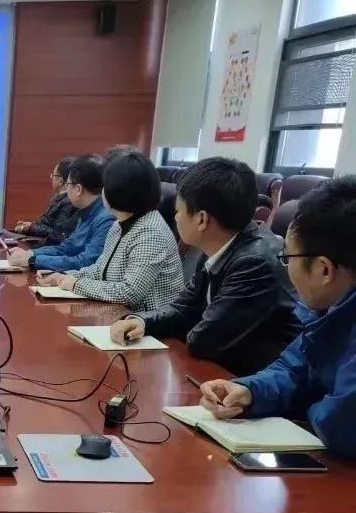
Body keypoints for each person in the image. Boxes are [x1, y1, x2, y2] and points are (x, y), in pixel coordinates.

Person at [199, 176, 356, 513]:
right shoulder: (332, 308)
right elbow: (294, 366)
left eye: (289, 258)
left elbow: (344, 423)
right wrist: (250, 390)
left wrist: (304, 408)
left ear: (324, 268)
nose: (284, 268)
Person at [109, 157, 299, 375]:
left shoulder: (255, 263)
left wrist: (180, 323)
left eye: (178, 210)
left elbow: (204, 340)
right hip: (225, 372)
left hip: (253, 380)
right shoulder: (217, 246)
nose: (176, 217)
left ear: (201, 220)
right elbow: (182, 308)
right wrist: (142, 321)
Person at [36, 150, 183, 312]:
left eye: (105, 187)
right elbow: (100, 269)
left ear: (118, 192)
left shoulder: (150, 232)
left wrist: (76, 284)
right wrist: (63, 276)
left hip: (146, 321)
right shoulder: (119, 224)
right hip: (118, 314)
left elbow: (130, 292)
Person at [8, 155, 113, 271]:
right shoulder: (85, 212)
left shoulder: (106, 219)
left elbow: (86, 262)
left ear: (78, 189)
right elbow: (67, 248)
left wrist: (33, 261)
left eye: (68, 185)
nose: (66, 190)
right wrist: (30, 253)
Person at [12, 156, 79, 244]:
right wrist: (29, 226)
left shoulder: (69, 202)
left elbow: (57, 234)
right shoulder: (58, 198)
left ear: (61, 181)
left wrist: (31, 228)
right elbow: (46, 224)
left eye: (53, 175)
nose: (51, 177)